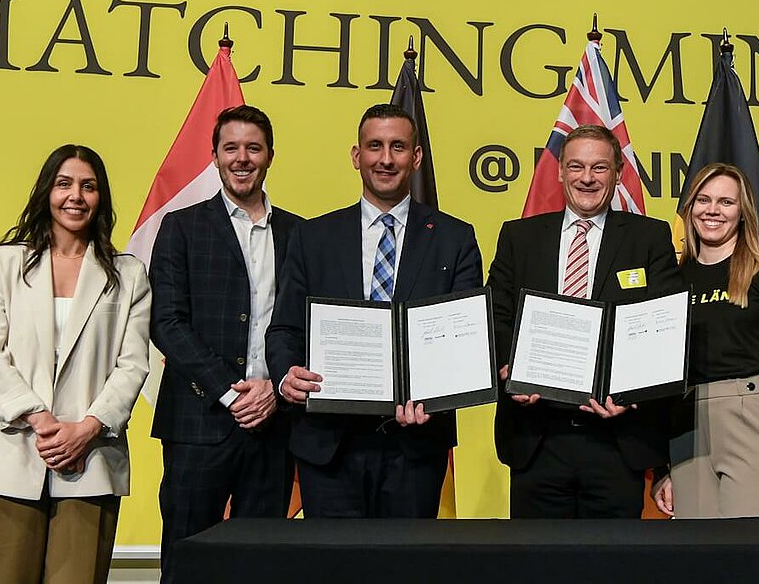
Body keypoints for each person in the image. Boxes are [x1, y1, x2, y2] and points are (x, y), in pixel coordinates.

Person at [0, 145, 151, 584]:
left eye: (88, 186)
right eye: (64, 184)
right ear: (47, 192)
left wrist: (85, 429)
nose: (75, 196)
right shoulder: (4, 263)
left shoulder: (127, 274)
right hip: (5, 451)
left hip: (90, 457)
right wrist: (39, 418)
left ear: (101, 198)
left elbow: (133, 365)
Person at [270, 103, 482, 517]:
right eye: (375, 146)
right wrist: (284, 376)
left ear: (416, 158)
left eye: (398, 146)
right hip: (328, 444)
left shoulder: (454, 239)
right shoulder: (312, 237)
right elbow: (283, 328)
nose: (386, 159)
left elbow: (465, 341)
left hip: (415, 447)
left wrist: (435, 396)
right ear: (356, 156)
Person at [489, 124, 683, 518]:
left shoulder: (649, 237)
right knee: (536, 567)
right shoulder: (519, 236)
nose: (587, 178)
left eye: (599, 167)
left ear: (618, 173)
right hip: (536, 437)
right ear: (559, 171)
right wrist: (511, 373)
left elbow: (666, 325)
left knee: (612, 569)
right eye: (576, 166)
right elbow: (497, 317)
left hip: (616, 439)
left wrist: (631, 395)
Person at [150, 105, 302, 583]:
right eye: (231, 148)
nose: (242, 158)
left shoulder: (301, 234)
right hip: (199, 422)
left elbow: (310, 325)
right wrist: (231, 391)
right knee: (187, 558)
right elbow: (166, 323)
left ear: (270, 156)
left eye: (253, 148)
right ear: (214, 156)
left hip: (275, 424)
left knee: (261, 565)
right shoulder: (181, 226)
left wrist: (274, 390)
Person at [652, 164, 759, 519]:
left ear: (743, 212)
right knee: (698, 558)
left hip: (756, 414)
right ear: (690, 207)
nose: (713, 210)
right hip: (686, 425)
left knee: (758, 550)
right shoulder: (670, 281)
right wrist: (663, 466)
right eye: (703, 200)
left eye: (726, 202)